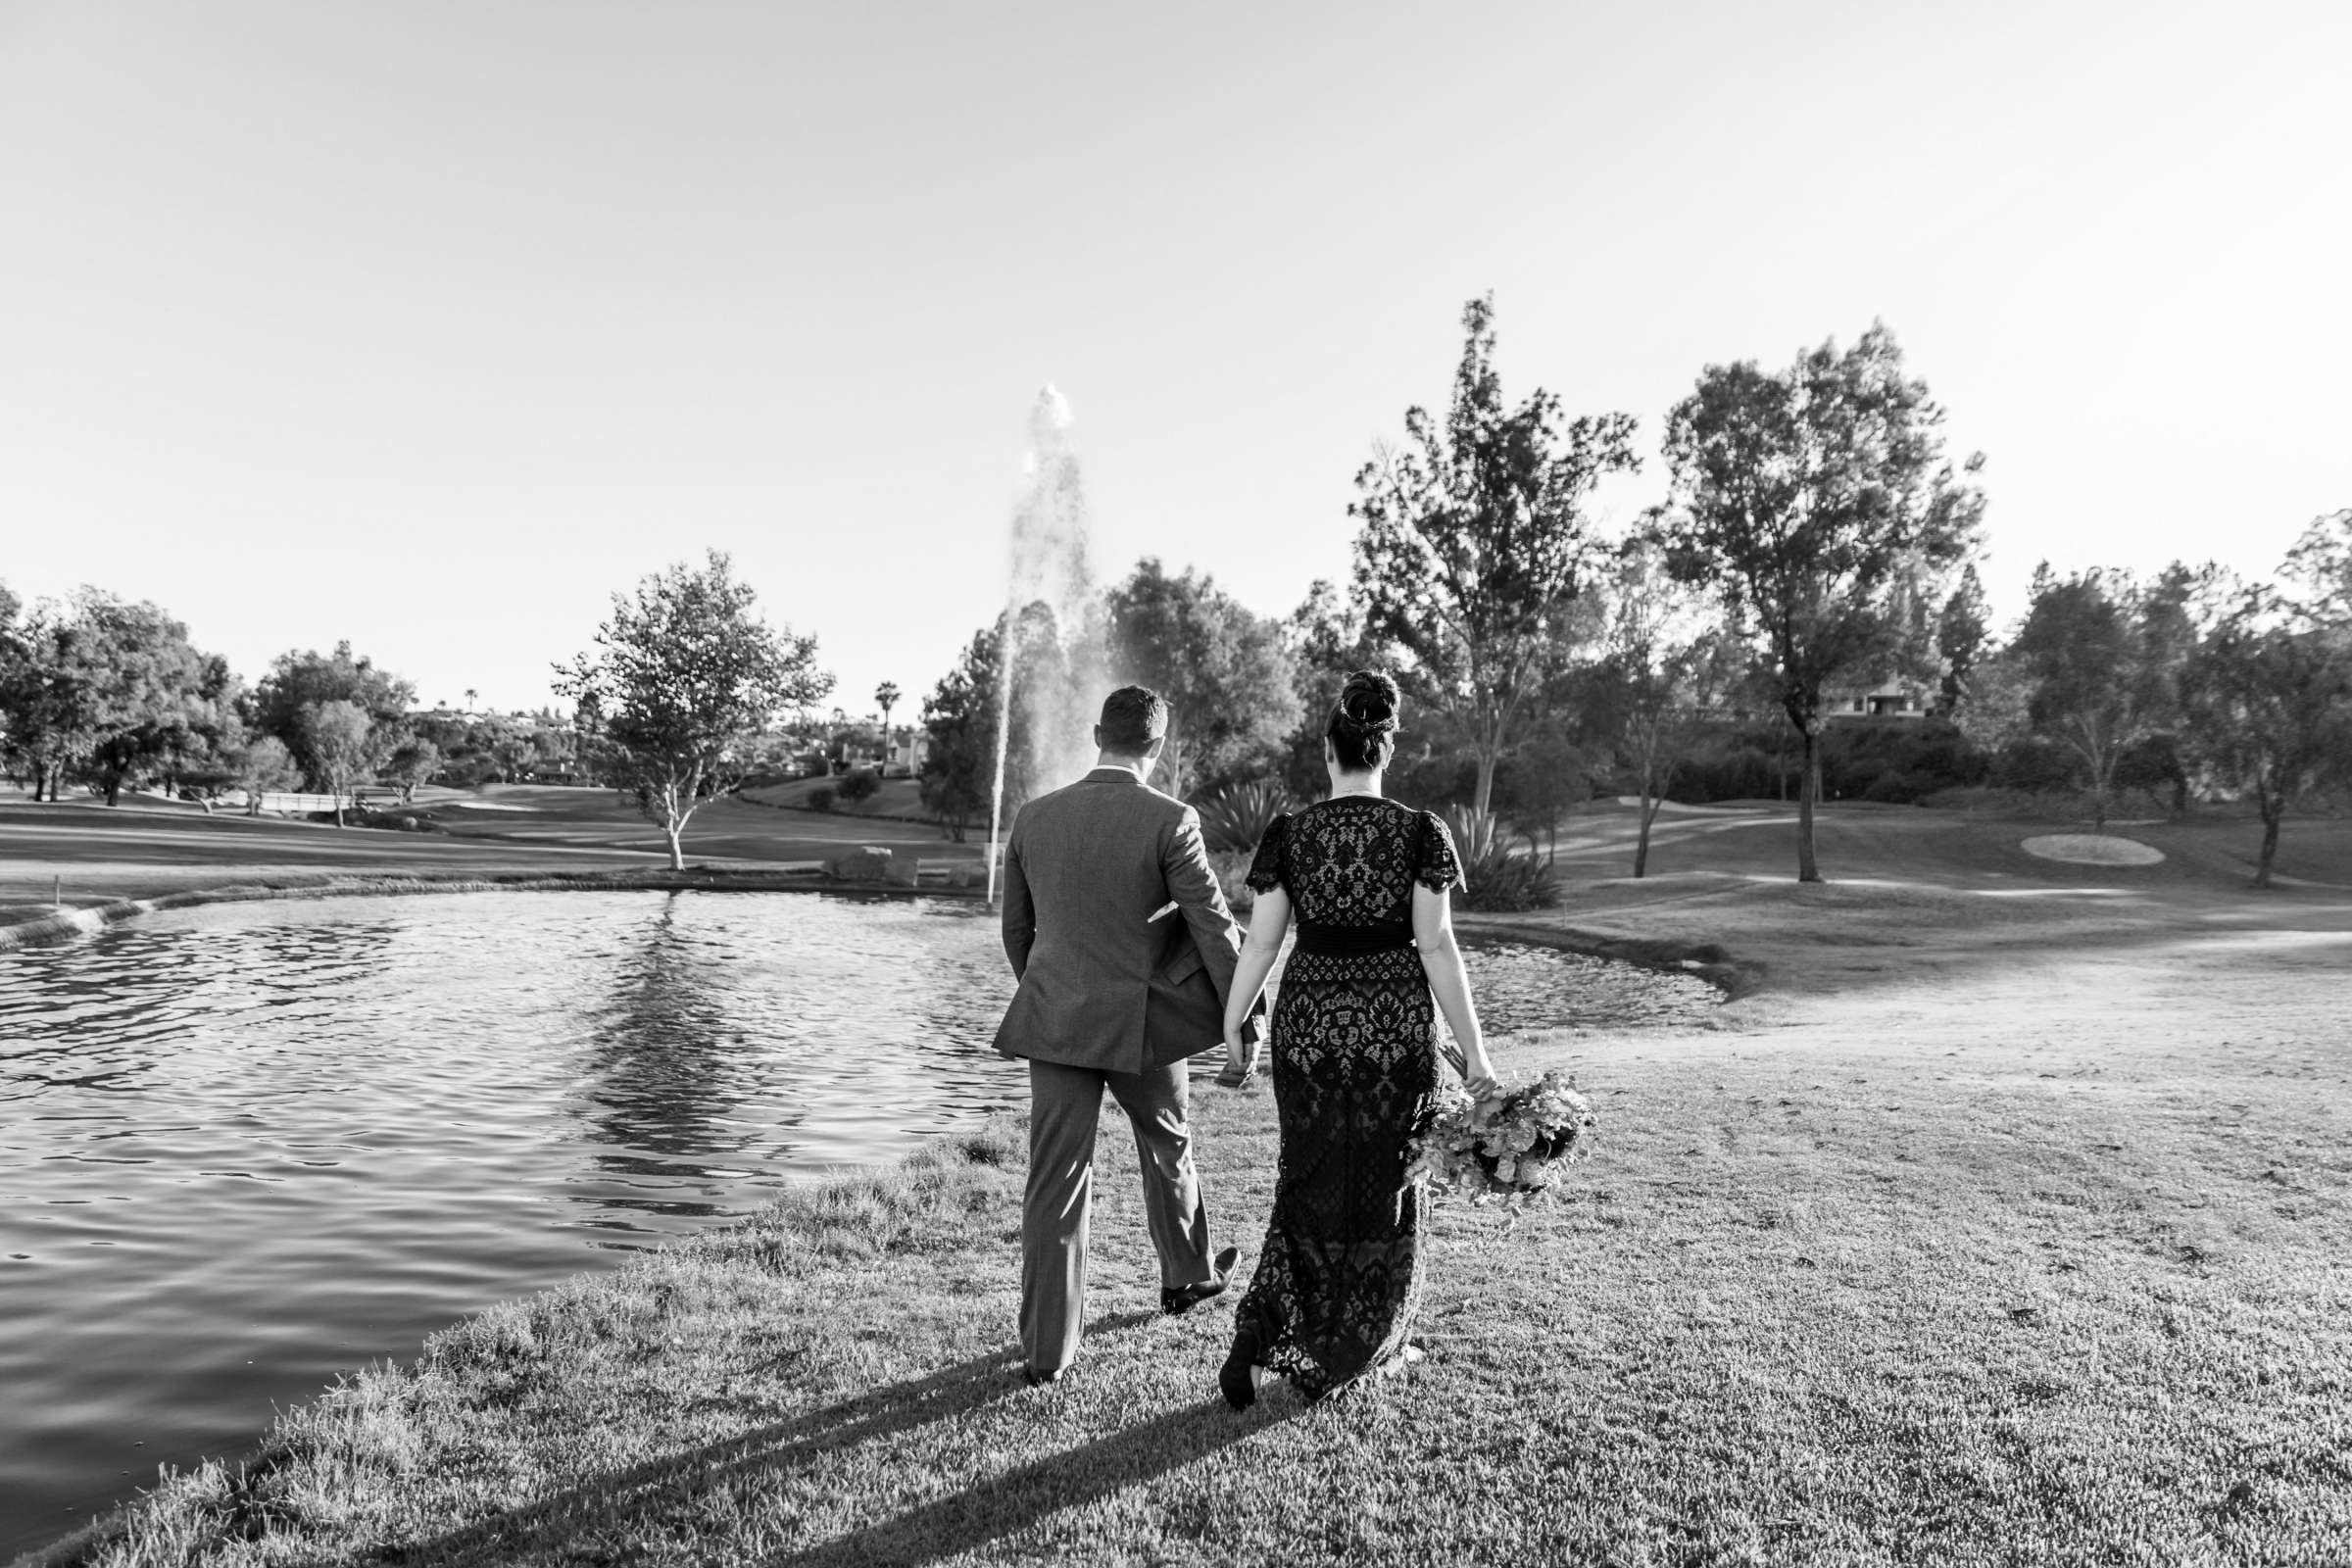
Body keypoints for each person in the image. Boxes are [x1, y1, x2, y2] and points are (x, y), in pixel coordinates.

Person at [1215, 669, 1498, 1408]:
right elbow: (1437, 950)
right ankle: (1358, 1349)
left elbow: (1261, 945)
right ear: (1387, 750)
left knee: (1307, 1179)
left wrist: (1233, 1020)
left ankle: (1260, 1330)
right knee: (1387, 1189)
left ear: (1327, 752)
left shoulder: (1289, 835)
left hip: (1307, 1027)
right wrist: (1478, 1054)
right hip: (1394, 1029)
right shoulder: (1419, 833)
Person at [994, 685, 1248, 1386]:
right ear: (1157, 747)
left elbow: (1017, 933)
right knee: (1168, 1142)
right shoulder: (1171, 818)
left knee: (1056, 1180)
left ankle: (1049, 1352)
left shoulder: (1033, 817)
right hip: (1144, 1027)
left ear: (1095, 732)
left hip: (1058, 1026)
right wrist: (1240, 1022)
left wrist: (1048, 995)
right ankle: (1188, 1278)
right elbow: (1215, 928)